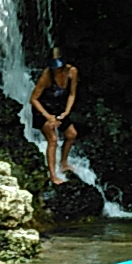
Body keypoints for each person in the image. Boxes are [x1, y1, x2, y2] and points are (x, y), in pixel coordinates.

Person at [30, 54, 79, 185]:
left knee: (71, 134)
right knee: (53, 139)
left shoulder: (72, 72)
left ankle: (63, 162)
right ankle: (53, 175)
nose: (56, 70)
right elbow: (33, 99)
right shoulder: (47, 76)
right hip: (43, 110)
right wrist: (48, 117)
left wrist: (66, 112)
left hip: (58, 107)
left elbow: (72, 94)